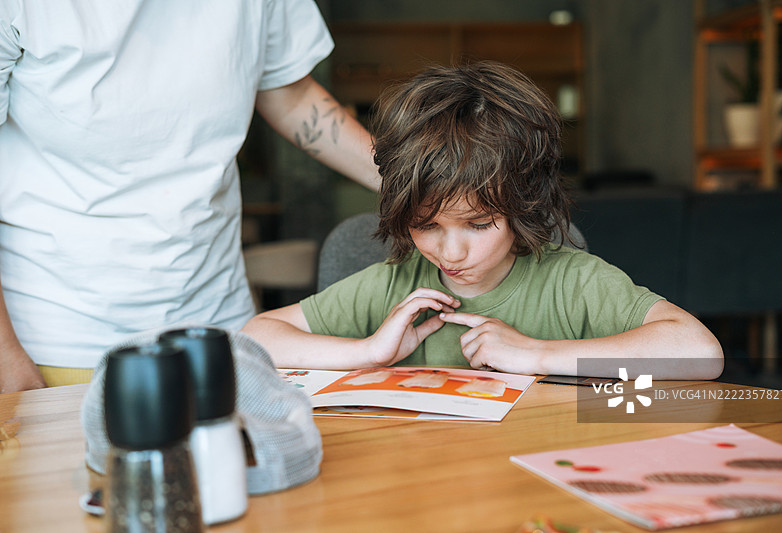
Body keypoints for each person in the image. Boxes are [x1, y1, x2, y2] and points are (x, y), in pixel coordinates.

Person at [242, 61, 724, 379]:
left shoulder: (573, 282)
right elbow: (255, 337)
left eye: (477, 225)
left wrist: (534, 354)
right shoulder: (395, 284)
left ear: (524, 205)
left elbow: (702, 352)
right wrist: (368, 351)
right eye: (426, 226)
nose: (450, 254)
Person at [0, 0, 380, 393]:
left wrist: (411, 184)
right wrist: (5, 357)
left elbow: (290, 94)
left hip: (219, 329)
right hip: (59, 339)